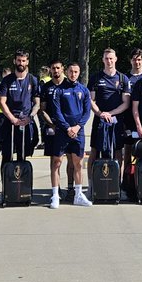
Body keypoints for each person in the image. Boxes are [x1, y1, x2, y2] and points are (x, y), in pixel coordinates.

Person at [48, 59, 93, 208]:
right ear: (66, 72)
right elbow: (57, 112)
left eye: (76, 72)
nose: (73, 74)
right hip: (62, 131)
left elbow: (87, 112)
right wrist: (67, 128)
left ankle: (78, 195)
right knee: (57, 162)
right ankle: (55, 195)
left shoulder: (84, 90)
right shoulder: (58, 90)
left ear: (79, 73)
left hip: (78, 132)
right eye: (71, 71)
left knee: (78, 164)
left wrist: (78, 127)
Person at [88, 48, 131, 195]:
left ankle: (117, 186)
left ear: (116, 59)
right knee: (94, 151)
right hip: (99, 120)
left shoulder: (123, 78)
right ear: (103, 60)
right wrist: (100, 113)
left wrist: (110, 114)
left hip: (116, 121)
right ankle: (91, 186)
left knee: (118, 152)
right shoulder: (95, 77)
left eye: (111, 58)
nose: (109, 61)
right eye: (106, 58)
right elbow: (91, 100)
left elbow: (126, 103)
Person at [0, 49, 40, 175]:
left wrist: (30, 118)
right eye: (19, 60)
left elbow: (37, 103)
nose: (21, 63)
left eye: (24, 60)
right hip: (9, 122)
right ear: (14, 61)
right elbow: (2, 102)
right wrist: (12, 118)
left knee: (23, 156)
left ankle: (21, 188)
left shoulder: (33, 80)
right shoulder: (7, 80)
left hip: (25, 123)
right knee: (6, 156)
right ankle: (6, 190)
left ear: (27, 62)